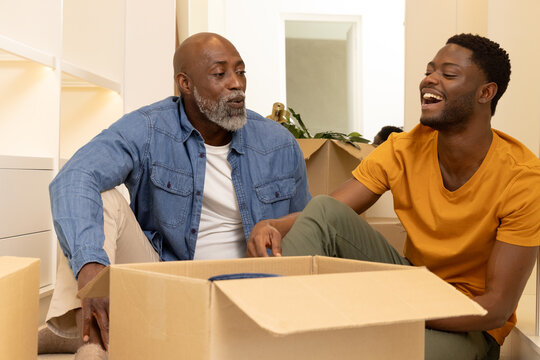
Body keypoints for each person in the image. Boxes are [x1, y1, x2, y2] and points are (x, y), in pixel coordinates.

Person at [247, 33, 540, 359]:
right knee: (323, 209)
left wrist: (392, 312)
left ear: (486, 92)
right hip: (411, 285)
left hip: (469, 325)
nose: (429, 79)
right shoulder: (403, 148)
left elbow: (496, 309)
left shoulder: (523, 179)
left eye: (448, 74)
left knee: (388, 352)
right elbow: (327, 214)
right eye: (429, 70)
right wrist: (271, 223)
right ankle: (268, 337)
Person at [41, 32, 310, 359]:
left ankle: (78, 331)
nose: (236, 83)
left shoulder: (279, 143)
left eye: (240, 72)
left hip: (249, 288)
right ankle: (93, 342)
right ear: (185, 83)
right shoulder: (150, 127)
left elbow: (305, 224)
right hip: (166, 279)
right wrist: (92, 271)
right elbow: (75, 177)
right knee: (97, 198)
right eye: (220, 73)